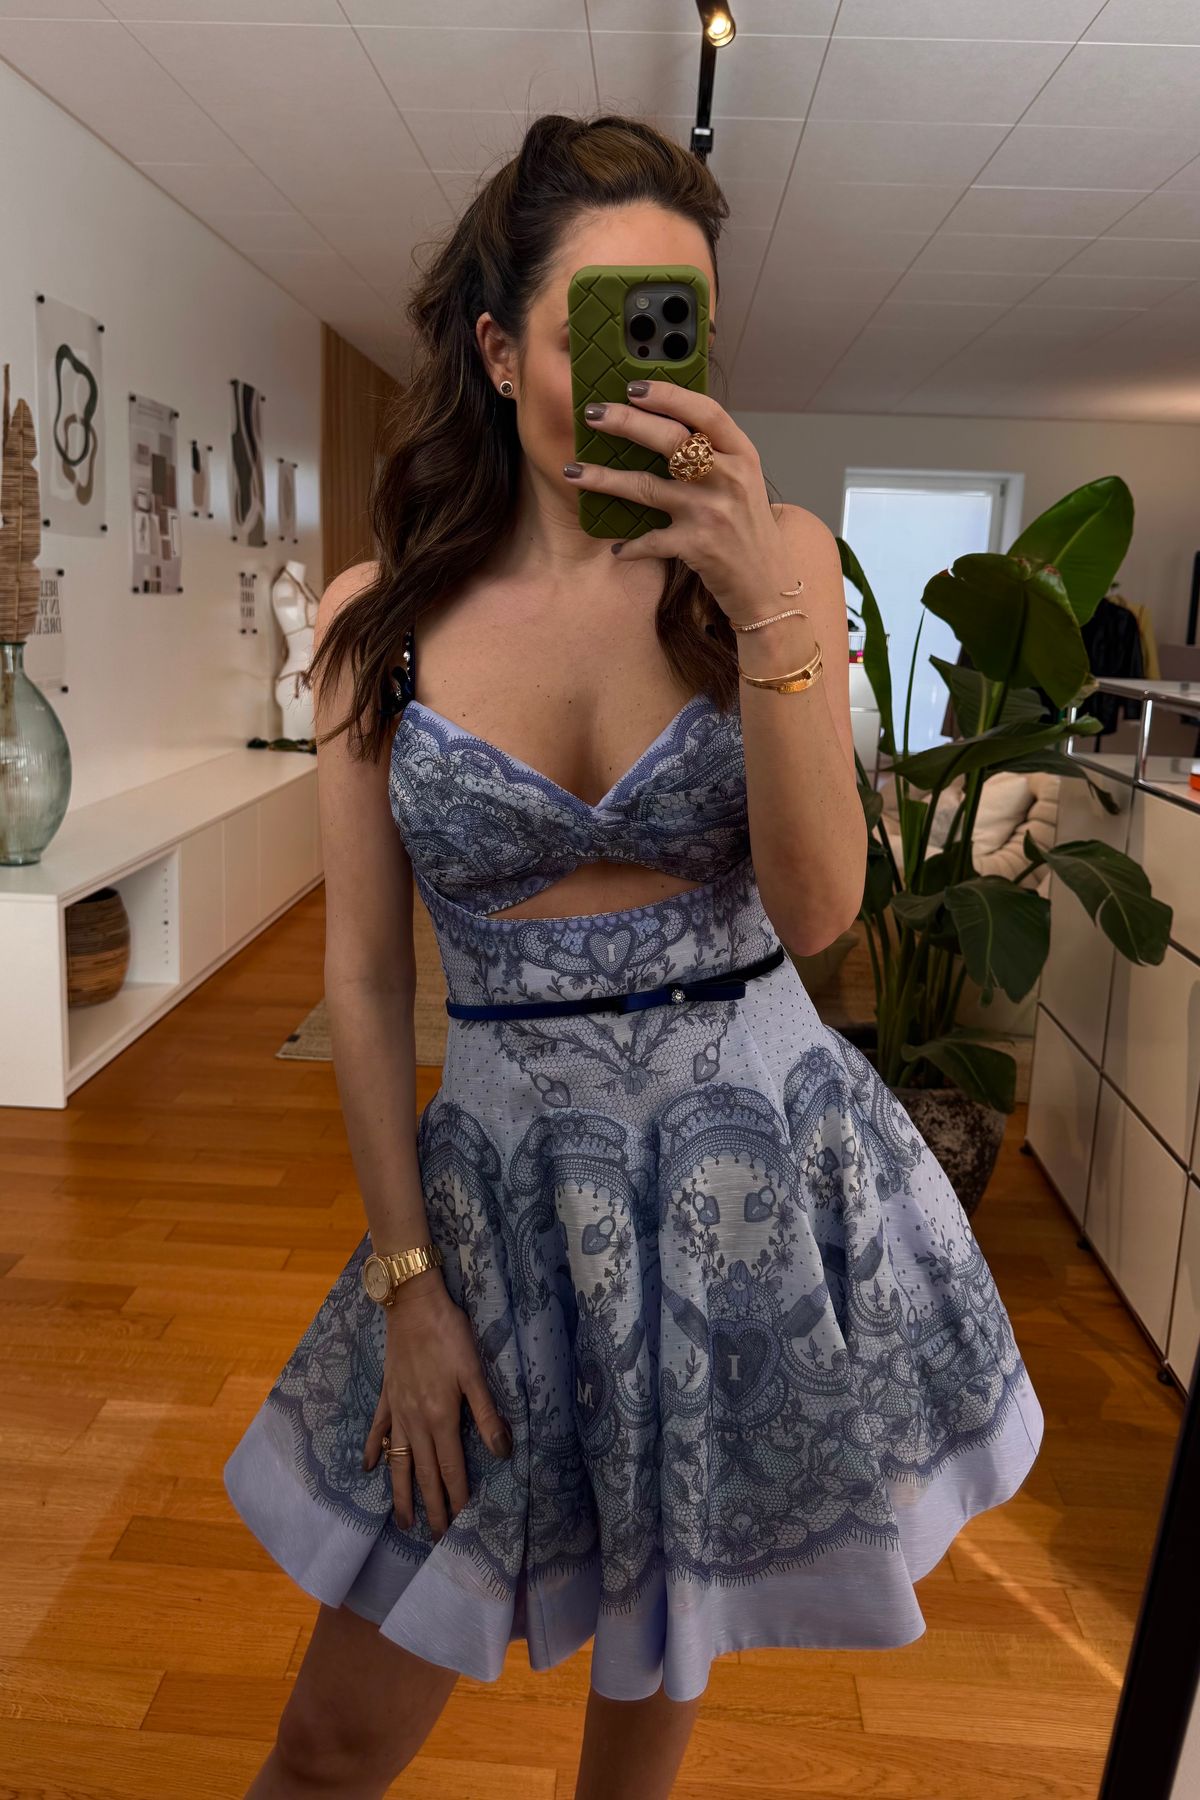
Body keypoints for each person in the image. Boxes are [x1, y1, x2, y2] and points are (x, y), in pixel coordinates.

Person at [223, 112, 1044, 1800]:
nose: (643, 373)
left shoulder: (775, 561)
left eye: (682, 326)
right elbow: (364, 982)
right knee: (326, 1747)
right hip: (504, 1211)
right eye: (603, 322)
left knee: (652, 1701)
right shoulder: (379, 623)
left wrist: (763, 602)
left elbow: (820, 913)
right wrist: (407, 1285)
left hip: (753, 1197)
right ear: (498, 347)